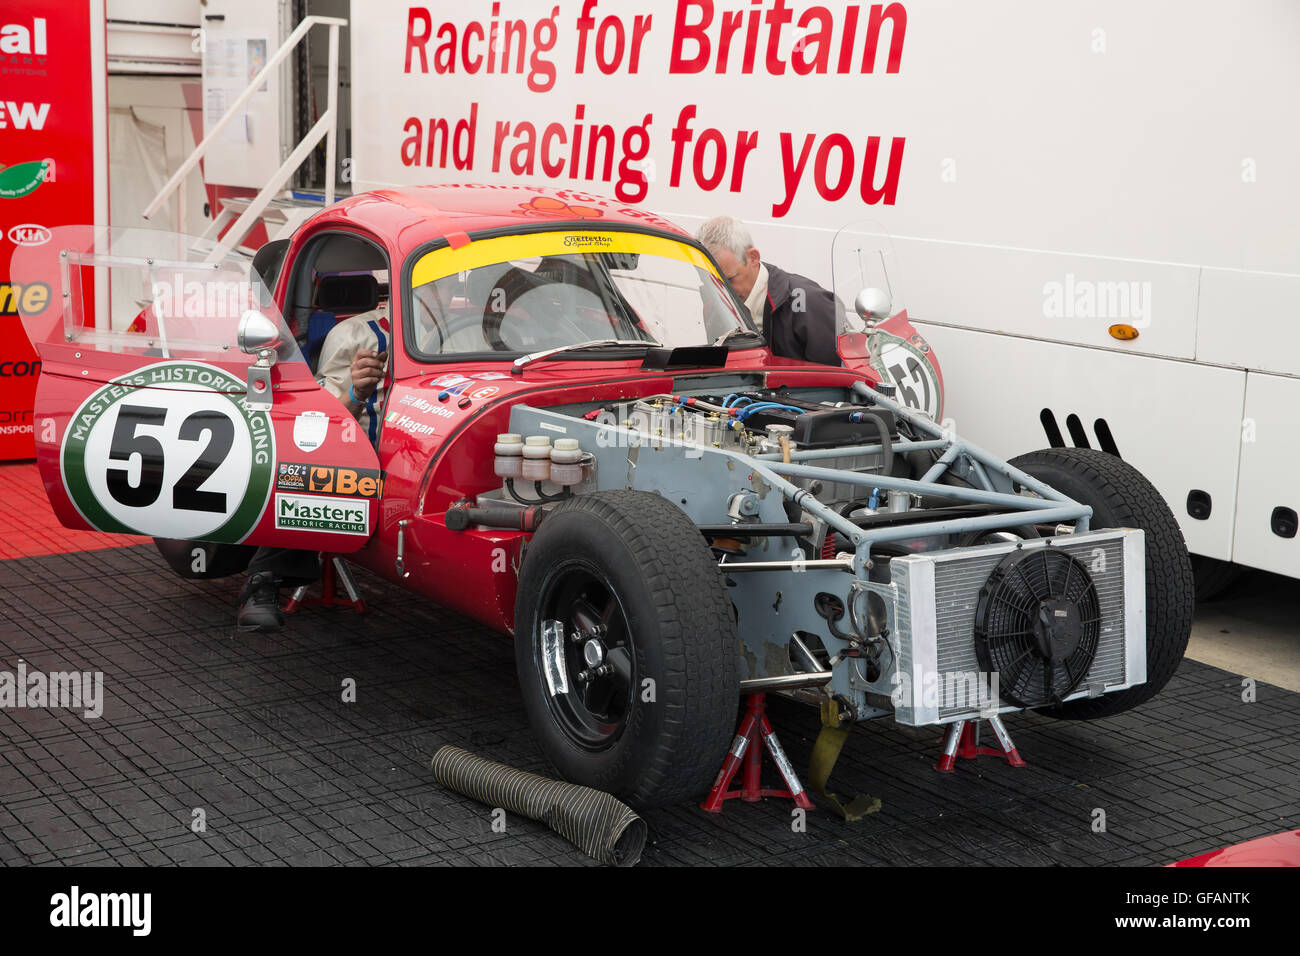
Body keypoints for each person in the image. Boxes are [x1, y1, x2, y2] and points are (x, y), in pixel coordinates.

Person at [235, 302, 390, 632]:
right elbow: (319, 422)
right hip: (366, 462)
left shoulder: (484, 328)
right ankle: (263, 582)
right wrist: (357, 391)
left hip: (438, 452)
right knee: (307, 470)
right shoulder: (356, 334)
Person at [697, 215, 842, 367]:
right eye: (712, 283)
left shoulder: (811, 303)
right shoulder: (715, 303)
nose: (722, 292)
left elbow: (840, 380)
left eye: (729, 280)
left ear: (753, 258)